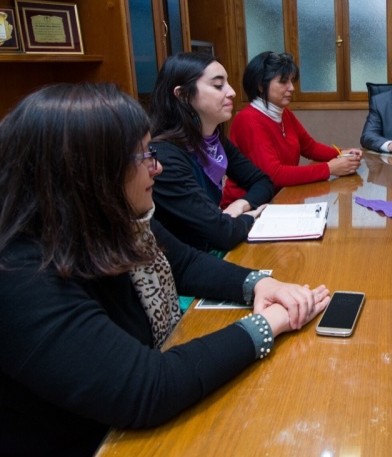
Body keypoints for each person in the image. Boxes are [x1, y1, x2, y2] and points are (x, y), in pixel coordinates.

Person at [0, 83, 330, 456]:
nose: (156, 166)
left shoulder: (116, 218)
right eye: (142, 156)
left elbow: (184, 262)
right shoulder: (19, 276)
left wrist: (258, 284)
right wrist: (267, 324)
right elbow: (147, 386)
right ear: (89, 175)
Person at [150, 52, 275, 252]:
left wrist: (240, 205)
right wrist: (250, 216)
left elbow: (263, 181)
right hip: (188, 268)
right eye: (218, 86)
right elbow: (222, 233)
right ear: (183, 96)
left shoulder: (214, 141)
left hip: (208, 251)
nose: (232, 92)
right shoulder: (165, 158)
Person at [222, 52, 362, 202]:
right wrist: (330, 168)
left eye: (291, 81)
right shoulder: (248, 119)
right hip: (248, 206)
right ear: (261, 85)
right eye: (283, 81)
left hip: (280, 197)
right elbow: (274, 175)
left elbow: (310, 147)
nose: (292, 88)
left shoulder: (284, 113)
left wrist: (341, 153)